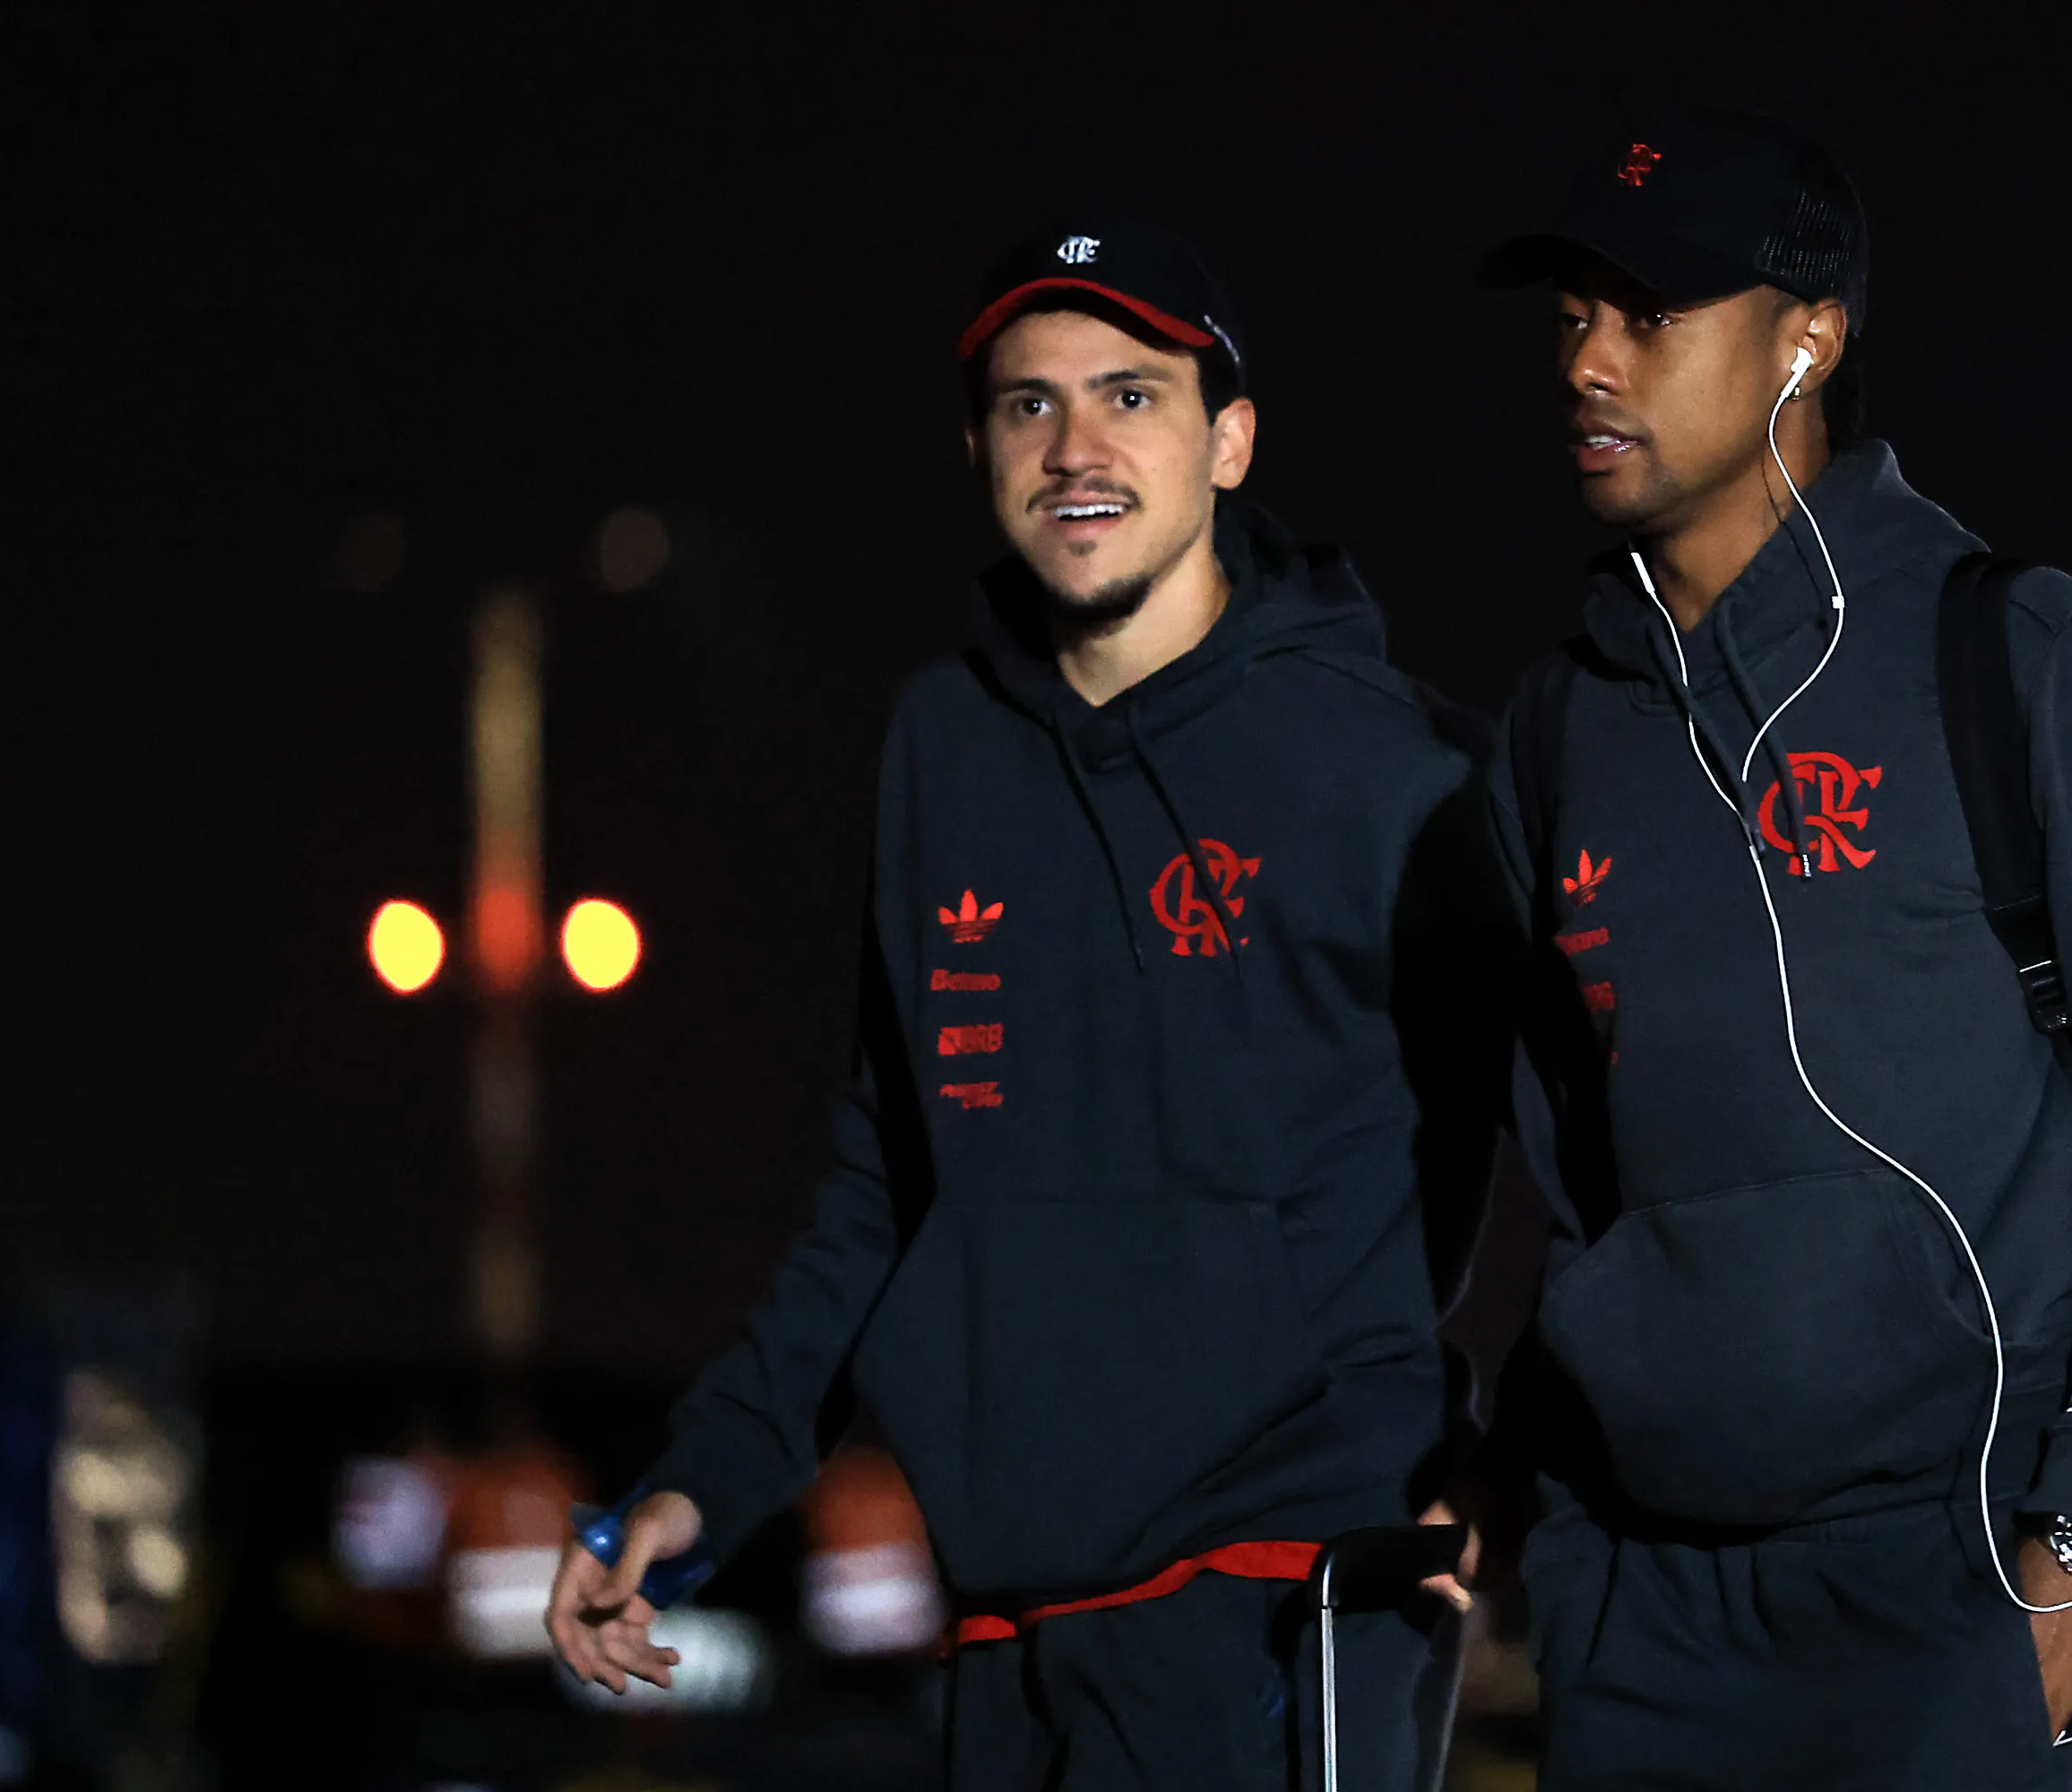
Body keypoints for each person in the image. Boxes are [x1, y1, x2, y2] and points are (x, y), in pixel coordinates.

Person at [545, 219, 1503, 1790]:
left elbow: (1592, 1139)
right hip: (1005, 1614)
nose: (1075, 445)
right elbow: (891, 1181)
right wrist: (699, 1483)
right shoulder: (944, 749)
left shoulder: (1405, 774)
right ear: (981, 448)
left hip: (1275, 1593)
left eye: (1131, 395)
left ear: (1232, 441)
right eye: (1028, 404)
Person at [1477, 112, 2072, 1788]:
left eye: (1651, 313)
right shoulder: (1560, 728)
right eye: (1571, 317)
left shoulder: (2014, 649)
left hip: (1974, 1566)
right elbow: (1569, 1170)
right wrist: (1576, 1554)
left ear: (1807, 337)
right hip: (1656, 1601)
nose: (1590, 363)